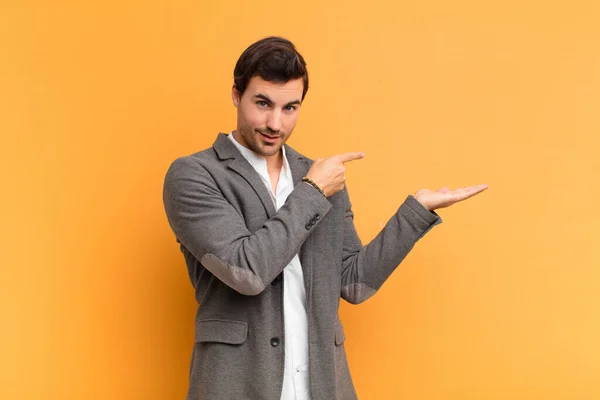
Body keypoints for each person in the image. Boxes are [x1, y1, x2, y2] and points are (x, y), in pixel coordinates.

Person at [162, 36, 487, 400]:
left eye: (290, 108)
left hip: (322, 385)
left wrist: (415, 214)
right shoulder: (195, 175)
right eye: (262, 103)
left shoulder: (318, 176)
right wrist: (313, 192)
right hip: (237, 385)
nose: (274, 122)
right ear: (236, 95)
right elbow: (246, 272)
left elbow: (353, 282)